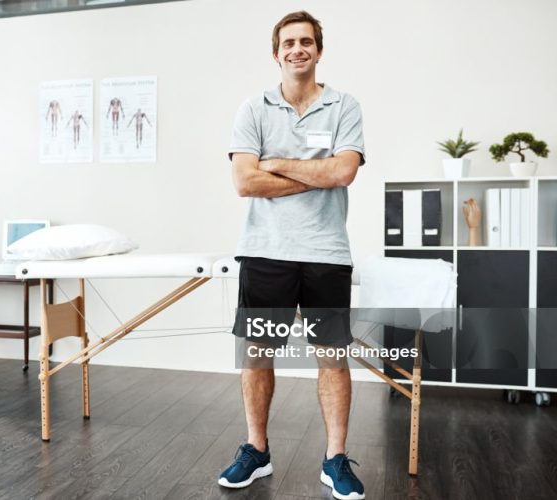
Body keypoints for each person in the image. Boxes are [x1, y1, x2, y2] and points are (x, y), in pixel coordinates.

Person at [219, 11, 366, 500]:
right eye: (289, 42)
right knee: (258, 357)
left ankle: (335, 459)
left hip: (326, 253)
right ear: (276, 52)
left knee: (332, 359)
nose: (297, 49)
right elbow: (245, 181)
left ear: (319, 51)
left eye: (306, 42)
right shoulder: (253, 109)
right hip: (265, 253)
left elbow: (343, 173)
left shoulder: (345, 106)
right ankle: (255, 451)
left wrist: (277, 162)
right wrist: (313, 171)